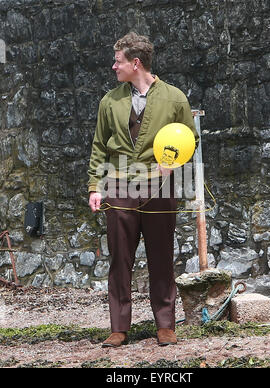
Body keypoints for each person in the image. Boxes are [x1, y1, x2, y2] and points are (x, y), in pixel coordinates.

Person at [88, 32, 198, 347]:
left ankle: (165, 324)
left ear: (135, 63)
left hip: (160, 186)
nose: (113, 67)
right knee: (120, 259)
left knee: (161, 256)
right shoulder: (110, 101)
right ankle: (119, 327)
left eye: (118, 61)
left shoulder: (174, 98)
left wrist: (172, 164)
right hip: (119, 185)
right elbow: (98, 147)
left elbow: (191, 139)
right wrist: (95, 186)